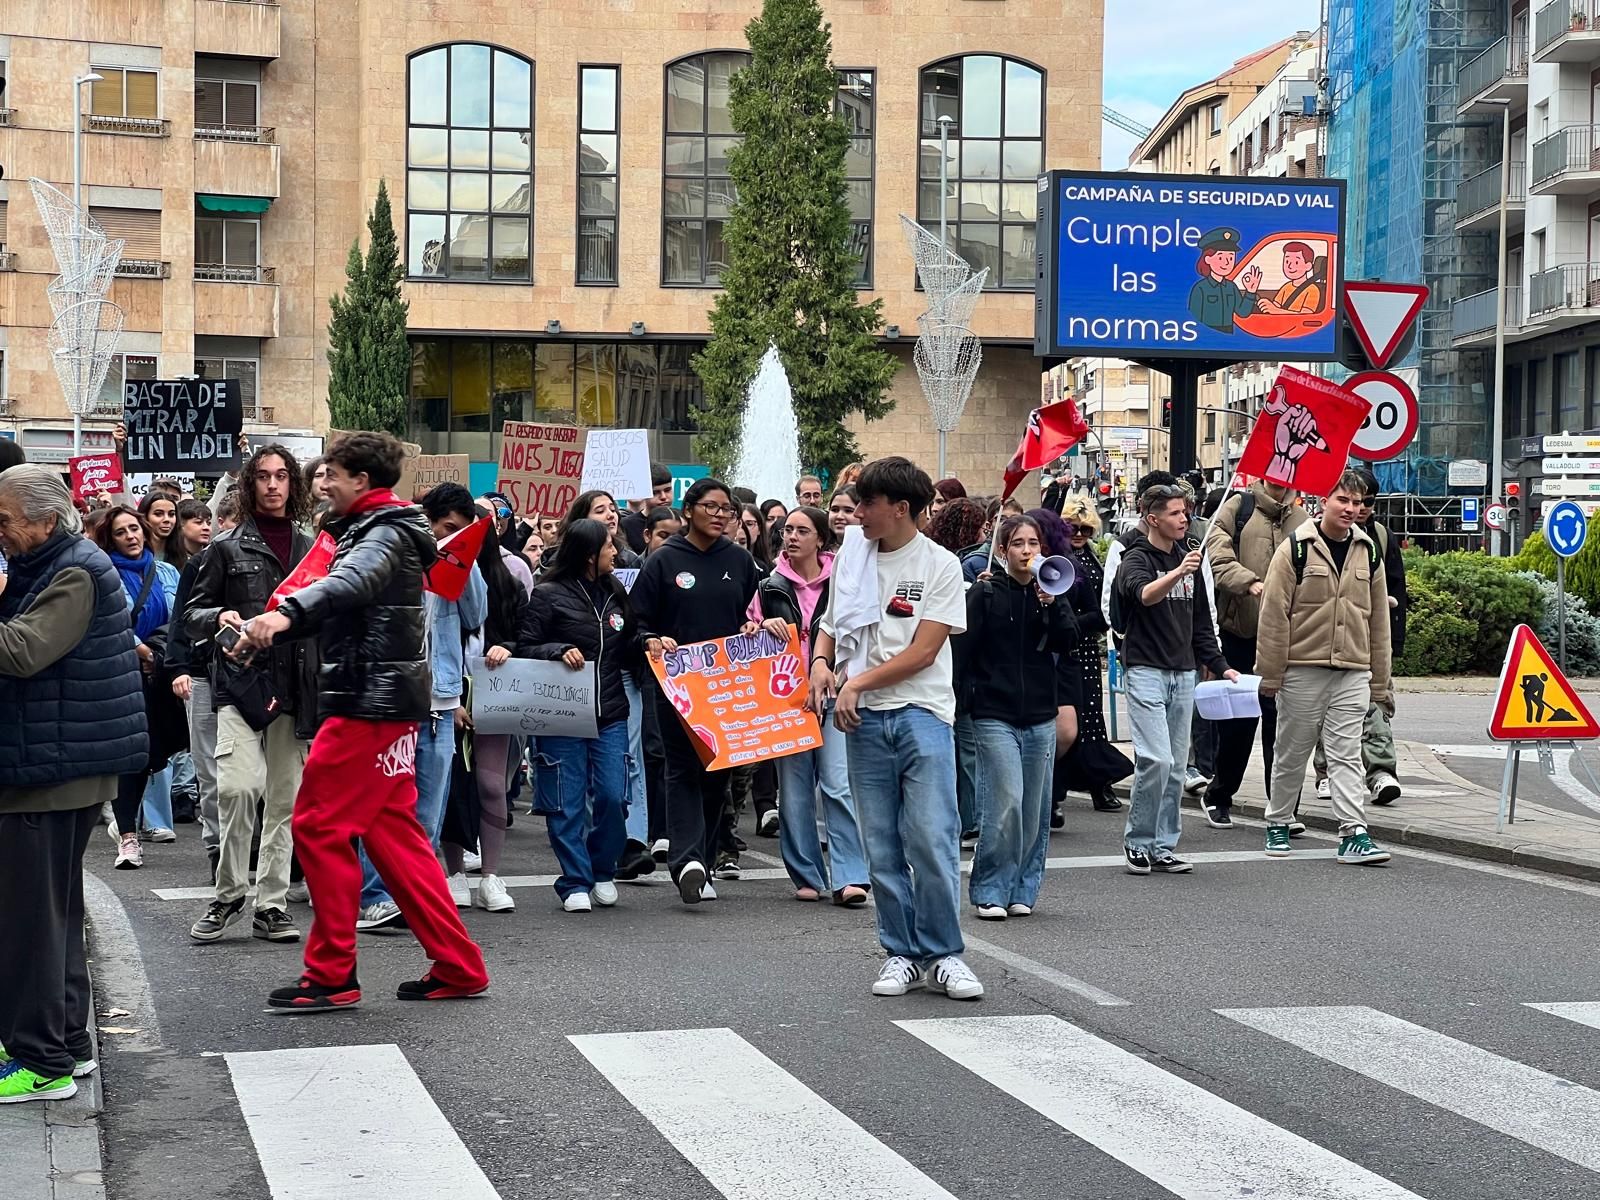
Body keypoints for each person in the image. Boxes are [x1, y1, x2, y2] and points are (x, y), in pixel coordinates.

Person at [235, 432, 489, 1011]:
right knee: (396, 840)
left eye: (331, 474)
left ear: (362, 481)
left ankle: (332, 973)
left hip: (366, 705)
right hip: (384, 704)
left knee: (318, 826)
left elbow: (351, 583)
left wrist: (283, 616)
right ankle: (459, 966)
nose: (320, 482)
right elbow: (344, 594)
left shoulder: (383, 533)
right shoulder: (376, 527)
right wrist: (275, 624)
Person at [808, 457, 983, 1001]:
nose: (855, 513)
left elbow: (924, 651)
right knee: (880, 844)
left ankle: (945, 954)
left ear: (900, 508)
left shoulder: (940, 564)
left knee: (931, 837)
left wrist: (856, 683)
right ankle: (900, 953)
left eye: (866, 503)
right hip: (863, 719)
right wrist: (821, 663)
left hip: (921, 713)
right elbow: (831, 624)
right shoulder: (851, 557)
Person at [0, 466, 147, 1103]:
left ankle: (41, 1061)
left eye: (5, 519)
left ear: (44, 519)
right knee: (51, 918)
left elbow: (22, 652)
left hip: (50, 772)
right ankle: (64, 1044)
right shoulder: (53, 563)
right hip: (53, 766)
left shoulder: (74, 571)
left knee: (31, 923)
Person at [183, 445, 317, 943]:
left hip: (296, 688)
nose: (273, 484)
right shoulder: (225, 547)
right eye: (263, 476)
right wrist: (217, 616)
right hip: (241, 684)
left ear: (293, 483)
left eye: (282, 475)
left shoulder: (312, 549)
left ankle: (272, 904)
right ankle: (229, 894)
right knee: (238, 788)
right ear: (249, 484)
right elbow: (191, 615)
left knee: (284, 801)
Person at [358, 483, 488, 924]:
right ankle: (375, 896)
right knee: (385, 804)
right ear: (425, 520)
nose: (451, 536)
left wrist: (465, 557)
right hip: (393, 699)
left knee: (428, 812)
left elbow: (476, 616)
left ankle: (409, 895)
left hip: (441, 700)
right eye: (447, 528)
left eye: (461, 531)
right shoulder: (393, 551)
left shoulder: (460, 563)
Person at [631, 477, 762, 905]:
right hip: (677, 685)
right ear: (688, 510)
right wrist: (651, 638)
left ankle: (701, 863)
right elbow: (638, 621)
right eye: (711, 506)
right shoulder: (664, 561)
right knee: (682, 768)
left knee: (716, 773)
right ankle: (686, 860)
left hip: (726, 686)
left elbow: (751, 612)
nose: (720, 515)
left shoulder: (740, 561)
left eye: (727, 509)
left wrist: (750, 627)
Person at [1255, 470, 1394, 866]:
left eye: (1357, 502)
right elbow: (1274, 615)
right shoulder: (1295, 548)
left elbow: (1379, 620)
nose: (1351, 509)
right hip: (1302, 669)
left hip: (1353, 671)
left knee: (1346, 755)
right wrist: (1271, 674)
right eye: (1343, 500)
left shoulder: (1369, 551)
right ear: (1323, 501)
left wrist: (1381, 683)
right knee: (1291, 752)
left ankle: (1354, 832)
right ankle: (1279, 820)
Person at [516, 518, 639, 911]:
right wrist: (556, 650)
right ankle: (574, 881)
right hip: (562, 711)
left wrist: (651, 641)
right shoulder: (547, 594)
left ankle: (602, 869)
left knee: (613, 795)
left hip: (610, 711)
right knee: (565, 802)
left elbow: (629, 639)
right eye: (608, 546)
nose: (615, 552)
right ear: (589, 554)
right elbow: (524, 646)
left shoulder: (615, 591)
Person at [958, 514, 1077, 921]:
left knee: (1033, 809)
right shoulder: (986, 593)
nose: (1027, 551)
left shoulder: (1050, 590)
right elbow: (963, 653)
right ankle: (990, 887)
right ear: (1003, 550)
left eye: (1033, 543)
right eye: (1018, 544)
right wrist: (962, 703)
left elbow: (1068, 641)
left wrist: (1052, 604)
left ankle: (1023, 888)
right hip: (994, 712)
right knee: (1006, 800)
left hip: (1040, 714)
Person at [1114, 483, 1234, 876]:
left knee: (1176, 766)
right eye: (1175, 513)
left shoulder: (1189, 559)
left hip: (1183, 672)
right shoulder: (1136, 558)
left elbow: (1201, 624)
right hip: (1145, 669)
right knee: (1156, 759)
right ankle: (1137, 841)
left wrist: (1221, 665)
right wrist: (1178, 572)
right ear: (1152, 519)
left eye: (1185, 512)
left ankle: (1163, 846)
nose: (1184, 519)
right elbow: (1143, 595)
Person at [750, 505, 869, 904]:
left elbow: (859, 631)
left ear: (820, 538)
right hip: (788, 700)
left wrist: (849, 675)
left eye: (802, 530)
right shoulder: (768, 587)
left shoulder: (843, 580)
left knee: (837, 785)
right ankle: (806, 874)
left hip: (834, 693)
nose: (791, 537)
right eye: (787, 530)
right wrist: (757, 626)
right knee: (795, 792)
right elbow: (746, 638)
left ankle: (850, 875)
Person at [1201, 479, 1308, 831]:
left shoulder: (1303, 520)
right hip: (1241, 634)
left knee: (1283, 728)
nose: (1280, 479)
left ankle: (1283, 809)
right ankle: (1219, 796)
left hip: (1286, 640)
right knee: (1238, 726)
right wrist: (1249, 582)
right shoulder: (1238, 507)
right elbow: (1216, 557)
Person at [443, 508, 528, 914]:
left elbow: (528, 636)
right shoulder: (438, 582)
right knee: (452, 787)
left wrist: (507, 647)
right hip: (449, 692)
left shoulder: (509, 586)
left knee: (492, 785)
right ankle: (455, 873)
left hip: (496, 690)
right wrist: (449, 700)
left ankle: (491, 875)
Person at [96, 506, 183, 868]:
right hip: (123, 675)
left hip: (163, 675)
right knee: (129, 755)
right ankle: (128, 836)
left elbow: (182, 620)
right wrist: (141, 649)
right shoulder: (104, 576)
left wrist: (163, 657)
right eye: (121, 532)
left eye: (134, 528)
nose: (130, 536)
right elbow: (106, 623)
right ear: (110, 539)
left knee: (155, 753)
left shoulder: (168, 572)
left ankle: (131, 819)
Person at [1313, 471, 1406, 806]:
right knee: (1328, 710)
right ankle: (1325, 772)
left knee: (1376, 705)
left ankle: (1381, 773)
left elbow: (1397, 590)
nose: (1359, 507)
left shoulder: (1380, 538)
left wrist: (1394, 641)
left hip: (1367, 642)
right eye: (1350, 500)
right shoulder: (1310, 538)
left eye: (1366, 501)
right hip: (1325, 643)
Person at [168, 493, 240, 880]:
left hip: (254, 676)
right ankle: (218, 848)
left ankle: (250, 845)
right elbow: (183, 617)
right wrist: (179, 667)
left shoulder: (280, 556)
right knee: (209, 770)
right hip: (202, 673)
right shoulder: (201, 563)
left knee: (250, 775)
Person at [1053, 495, 1132, 813]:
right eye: (1072, 528)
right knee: (1071, 720)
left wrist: (1100, 620)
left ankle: (1099, 784)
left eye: (1085, 530)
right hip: (1066, 647)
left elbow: (1104, 602)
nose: (1079, 534)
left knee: (1091, 717)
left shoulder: (1091, 557)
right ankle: (1069, 787)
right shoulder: (1058, 557)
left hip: (1086, 647)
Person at [1187, 226, 1261, 333]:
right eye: (1220, 257)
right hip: (1206, 335)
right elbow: (1193, 318)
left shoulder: (1231, 287)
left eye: (1231, 257)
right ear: (1208, 259)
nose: (1226, 263)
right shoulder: (1200, 288)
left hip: (1228, 335)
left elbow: (1242, 313)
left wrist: (1250, 291)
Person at [559, 489, 641, 569]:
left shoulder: (630, 560)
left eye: (613, 510)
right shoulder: (558, 559)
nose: (611, 515)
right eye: (600, 511)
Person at [620, 464, 675, 554]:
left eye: (667, 490)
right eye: (655, 492)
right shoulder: (626, 525)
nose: (663, 497)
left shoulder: (683, 521)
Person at [138, 491, 181, 567]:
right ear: (144, 517)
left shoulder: (182, 555)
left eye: (171, 514)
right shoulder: (134, 553)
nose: (167, 519)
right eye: (158, 514)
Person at [735, 502, 774, 574]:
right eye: (738, 523)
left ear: (759, 529)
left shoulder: (769, 569)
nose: (743, 528)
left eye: (749, 524)